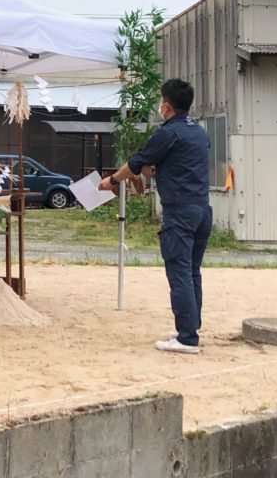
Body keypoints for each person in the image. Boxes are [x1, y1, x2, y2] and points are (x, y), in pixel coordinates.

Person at [99, 78, 211, 355]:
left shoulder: (168, 133)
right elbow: (184, 165)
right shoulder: (198, 132)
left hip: (179, 212)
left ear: (167, 106)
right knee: (192, 271)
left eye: (161, 101)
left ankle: (187, 338)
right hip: (201, 209)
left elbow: (135, 163)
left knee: (179, 272)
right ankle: (190, 327)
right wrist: (160, 170)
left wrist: (112, 180)